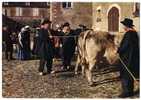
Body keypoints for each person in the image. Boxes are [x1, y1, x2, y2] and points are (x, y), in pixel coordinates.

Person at [117, 18, 139, 98]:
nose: (123, 27)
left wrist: (118, 50)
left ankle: (127, 92)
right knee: (130, 74)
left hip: (127, 58)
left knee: (126, 75)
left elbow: (125, 46)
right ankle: (130, 90)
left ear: (126, 26)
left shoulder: (128, 34)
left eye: (124, 25)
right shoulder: (134, 33)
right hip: (133, 57)